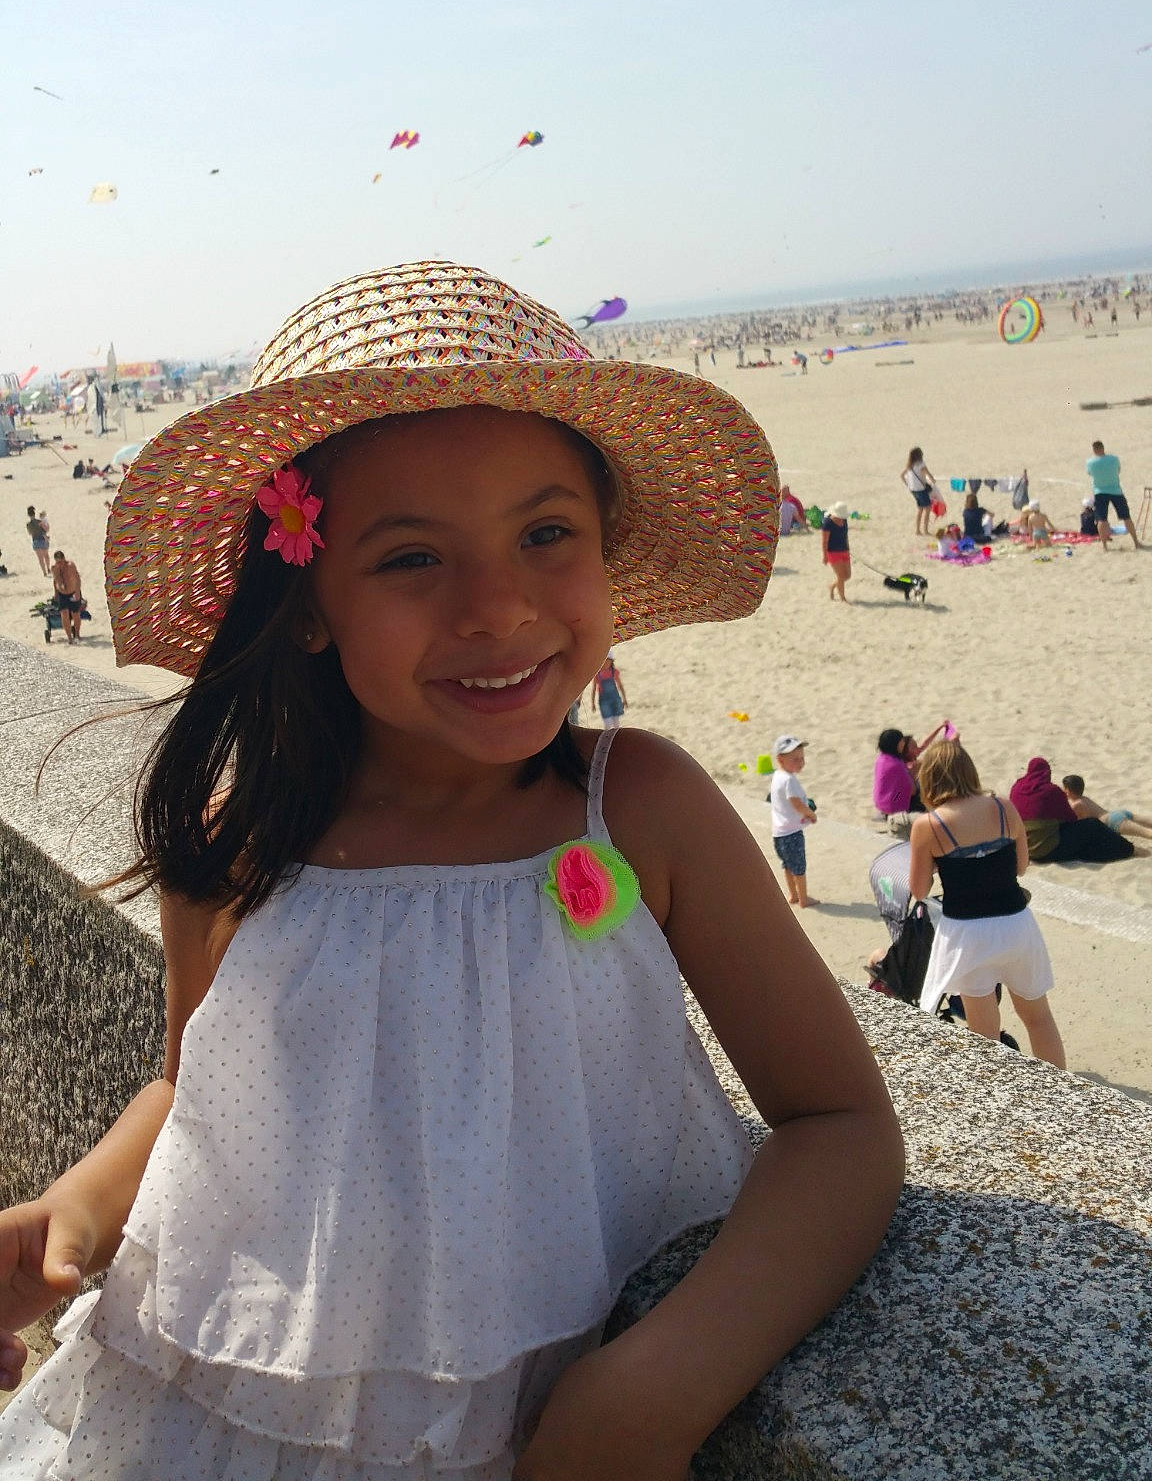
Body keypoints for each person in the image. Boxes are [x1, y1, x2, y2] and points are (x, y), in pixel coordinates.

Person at [0, 259, 903, 1477]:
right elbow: (201, 1089)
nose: (496, 605)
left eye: (544, 534)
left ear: (604, 547)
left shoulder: (636, 810)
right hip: (196, 1412)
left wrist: (657, 1380)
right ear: (308, 600)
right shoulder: (239, 837)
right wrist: (80, 1210)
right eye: (412, 558)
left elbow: (841, 1124)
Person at [909, 741, 1064, 1067]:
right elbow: (1021, 867)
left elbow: (919, 889)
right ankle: (1062, 1096)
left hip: (968, 935)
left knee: (985, 1037)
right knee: (1038, 1018)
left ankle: (1000, 1101)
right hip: (1015, 925)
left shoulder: (928, 825)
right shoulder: (1003, 807)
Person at [1009, 756, 1134, 864]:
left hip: (1026, 849)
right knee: (1093, 825)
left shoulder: (1016, 788)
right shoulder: (1051, 791)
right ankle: (1128, 849)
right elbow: (1070, 818)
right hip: (1046, 849)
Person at [769, 736, 818, 909]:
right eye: (795, 759)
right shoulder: (789, 780)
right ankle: (804, 898)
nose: (800, 763)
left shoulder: (778, 776)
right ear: (780, 759)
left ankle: (793, 895)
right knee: (799, 868)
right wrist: (810, 813)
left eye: (802, 758)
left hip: (779, 833)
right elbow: (796, 803)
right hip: (792, 833)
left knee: (787, 865)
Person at [872, 725, 950, 832]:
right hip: (894, 805)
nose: (902, 743)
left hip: (881, 802)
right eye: (901, 742)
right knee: (924, 789)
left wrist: (940, 727)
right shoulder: (898, 765)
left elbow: (924, 744)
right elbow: (912, 790)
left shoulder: (881, 759)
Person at [1061, 775, 1152, 852]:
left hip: (1113, 822)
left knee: (1147, 833)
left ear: (1068, 790)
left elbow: (1071, 821)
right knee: (1146, 822)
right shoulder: (1084, 798)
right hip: (1117, 813)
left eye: (1064, 788)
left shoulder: (1076, 805)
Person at [1086, 439, 1143, 550]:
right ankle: (1136, 542)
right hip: (1116, 491)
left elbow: (1089, 473)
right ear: (1103, 447)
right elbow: (1118, 471)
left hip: (1100, 492)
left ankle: (1105, 546)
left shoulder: (1090, 462)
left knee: (1102, 520)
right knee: (1126, 517)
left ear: (1094, 450)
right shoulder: (1113, 459)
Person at [50, 551, 84, 644]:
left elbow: (77, 578)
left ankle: (77, 634)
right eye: (57, 562)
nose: (59, 564)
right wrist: (56, 593)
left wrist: (77, 592)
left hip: (73, 592)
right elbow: (55, 581)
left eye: (61, 562)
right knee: (64, 614)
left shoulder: (70, 565)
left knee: (75, 614)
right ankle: (69, 638)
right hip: (62, 594)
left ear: (64, 559)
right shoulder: (54, 568)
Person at [901, 448, 936, 535]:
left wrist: (908, 485)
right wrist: (933, 481)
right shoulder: (921, 465)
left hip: (913, 490)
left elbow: (902, 476)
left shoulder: (909, 465)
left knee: (920, 509)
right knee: (927, 509)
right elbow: (928, 474)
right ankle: (925, 530)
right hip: (921, 490)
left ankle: (917, 530)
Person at [821, 499, 852, 601]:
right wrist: (825, 556)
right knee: (841, 575)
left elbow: (845, 535)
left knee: (847, 575)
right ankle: (843, 598)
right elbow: (824, 541)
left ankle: (832, 587)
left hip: (845, 550)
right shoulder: (828, 523)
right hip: (833, 552)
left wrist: (848, 547)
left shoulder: (844, 520)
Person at [590, 651, 627, 728]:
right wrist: (593, 703)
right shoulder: (597, 674)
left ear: (611, 662)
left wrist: (624, 699)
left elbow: (620, 686)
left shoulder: (614, 672)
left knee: (616, 722)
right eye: (603, 661)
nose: (605, 664)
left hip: (615, 699)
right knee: (607, 723)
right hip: (604, 701)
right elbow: (593, 689)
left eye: (607, 661)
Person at [26, 505, 50, 577]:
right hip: (43, 540)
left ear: (28, 515)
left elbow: (30, 533)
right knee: (46, 556)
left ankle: (44, 572)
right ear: (34, 513)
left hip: (35, 541)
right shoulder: (40, 522)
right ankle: (48, 568)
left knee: (40, 559)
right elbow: (46, 530)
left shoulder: (28, 524)